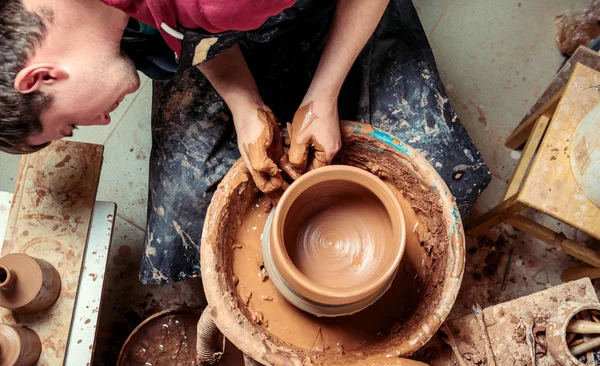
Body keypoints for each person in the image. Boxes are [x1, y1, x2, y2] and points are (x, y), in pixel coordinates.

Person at [0, 0, 491, 284]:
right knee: (176, 244)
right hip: (226, 25)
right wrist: (244, 104)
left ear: (40, 76)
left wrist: (324, 94)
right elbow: (179, 30)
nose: (104, 118)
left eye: (74, 124)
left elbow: (195, 12)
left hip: (333, 10)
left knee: (445, 180)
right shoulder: (70, 14)